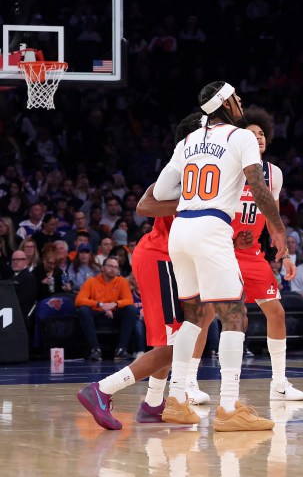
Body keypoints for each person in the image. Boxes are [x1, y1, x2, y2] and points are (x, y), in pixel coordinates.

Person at [152, 80, 288, 432]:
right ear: (227, 103)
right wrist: (277, 228)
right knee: (235, 315)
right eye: (238, 99)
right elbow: (257, 186)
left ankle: (177, 400)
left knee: (194, 316)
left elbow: (163, 191)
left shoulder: (188, 141)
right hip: (212, 229)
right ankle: (229, 408)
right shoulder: (239, 137)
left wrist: (194, 199)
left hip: (181, 228)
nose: (241, 104)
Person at [76, 118, 218, 430]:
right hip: (161, 257)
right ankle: (102, 389)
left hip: (178, 259)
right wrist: (190, 201)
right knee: (175, 342)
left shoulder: (212, 170)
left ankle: (154, 402)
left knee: (183, 333)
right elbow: (144, 205)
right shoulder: (181, 169)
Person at [230, 107, 303, 401]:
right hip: (224, 250)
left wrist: (284, 253)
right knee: (211, 315)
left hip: (253, 254)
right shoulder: (229, 169)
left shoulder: (273, 174)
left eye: (261, 133)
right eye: (251, 134)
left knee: (277, 311)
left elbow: (272, 217)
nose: (258, 138)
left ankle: (279, 382)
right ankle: (191, 384)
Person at [75, 257, 140, 361]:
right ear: (102, 268)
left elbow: (129, 300)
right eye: (110, 266)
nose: (113, 269)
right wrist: (99, 304)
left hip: (114, 314)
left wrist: (114, 304)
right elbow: (79, 300)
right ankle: (95, 349)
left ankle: (121, 349)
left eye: (115, 267)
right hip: (96, 313)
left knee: (131, 309)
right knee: (83, 309)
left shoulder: (122, 281)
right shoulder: (91, 281)